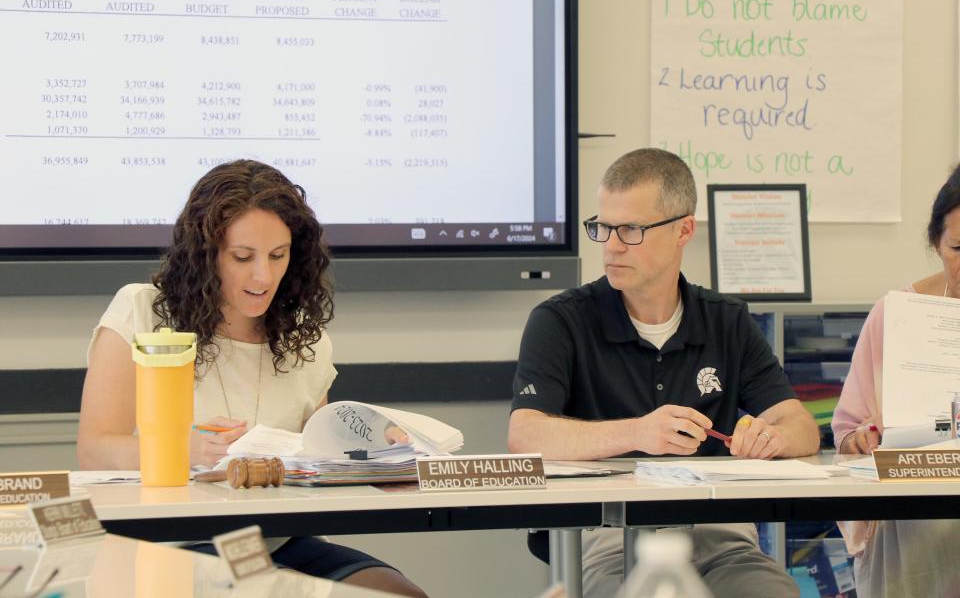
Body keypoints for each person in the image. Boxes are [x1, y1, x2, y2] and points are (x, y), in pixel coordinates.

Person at [77, 160, 427, 598]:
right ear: (204, 257)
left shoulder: (305, 338)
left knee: (395, 594)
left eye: (278, 256)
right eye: (243, 257)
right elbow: (94, 449)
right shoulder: (142, 310)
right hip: (173, 542)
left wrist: (372, 453)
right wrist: (178, 449)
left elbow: (312, 457)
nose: (263, 276)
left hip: (275, 542)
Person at [507, 148, 820, 598]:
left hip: (720, 539)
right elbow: (526, 435)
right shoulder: (561, 321)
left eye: (631, 230)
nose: (611, 245)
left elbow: (801, 427)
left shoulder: (726, 320)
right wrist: (638, 433)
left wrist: (772, 437)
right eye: (603, 227)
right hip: (607, 541)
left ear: (683, 230)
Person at [832, 163, 960, 598]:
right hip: (915, 525)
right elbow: (847, 435)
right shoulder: (895, 315)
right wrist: (860, 442)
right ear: (936, 244)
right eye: (959, 248)